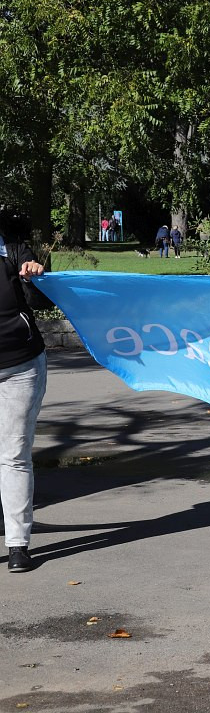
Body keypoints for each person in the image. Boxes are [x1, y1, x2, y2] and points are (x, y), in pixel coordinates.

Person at [0, 225, 47, 572]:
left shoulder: (14, 248)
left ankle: (18, 543)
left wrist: (33, 278)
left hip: (21, 365)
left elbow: (42, 302)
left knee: (14, 454)